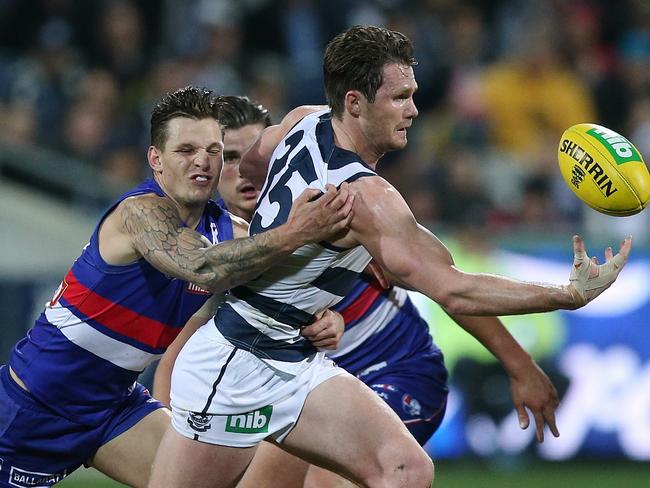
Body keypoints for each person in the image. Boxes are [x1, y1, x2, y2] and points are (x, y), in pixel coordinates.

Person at [149, 26, 631, 488]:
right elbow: (454, 290)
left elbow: (255, 163)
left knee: (406, 470)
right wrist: (567, 295)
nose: (415, 110)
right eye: (400, 98)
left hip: (298, 361)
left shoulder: (302, 120)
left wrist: (291, 254)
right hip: (237, 363)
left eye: (413, 94)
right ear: (355, 103)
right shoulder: (369, 199)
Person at [0, 86, 353, 488]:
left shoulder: (233, 234)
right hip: (31, 408)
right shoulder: (138, 213)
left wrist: (326, 318)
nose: (202, 162)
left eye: (214, 151)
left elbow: (288, 288)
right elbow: (202, 267)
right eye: (185, 150)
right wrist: (294, 232)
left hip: (113, 409)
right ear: (156, 159)